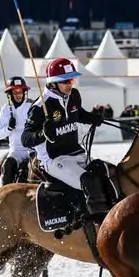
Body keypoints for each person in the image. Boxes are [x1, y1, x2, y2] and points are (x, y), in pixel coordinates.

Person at [21, 57, 109, 220]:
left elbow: (77, 113)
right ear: (53, 83)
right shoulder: (41, 107)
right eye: (66, 81)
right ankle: (98, 223)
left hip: (76, 153)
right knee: (89, 182)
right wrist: (42, 134)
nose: (70, 84)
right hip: (53, 159)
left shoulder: (73, 95)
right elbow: (25, 139)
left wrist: (92, 117)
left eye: (72, 79)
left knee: (105, 173)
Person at [0, 76, 33, 185]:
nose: (18, 95)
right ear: (10, 94)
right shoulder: (5, 109)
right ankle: (4, 196)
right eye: (15, 92)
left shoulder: (32, 106)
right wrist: (8, 128)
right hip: (16, 151)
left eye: (20, 91)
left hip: (33, 149)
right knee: (8, 166)